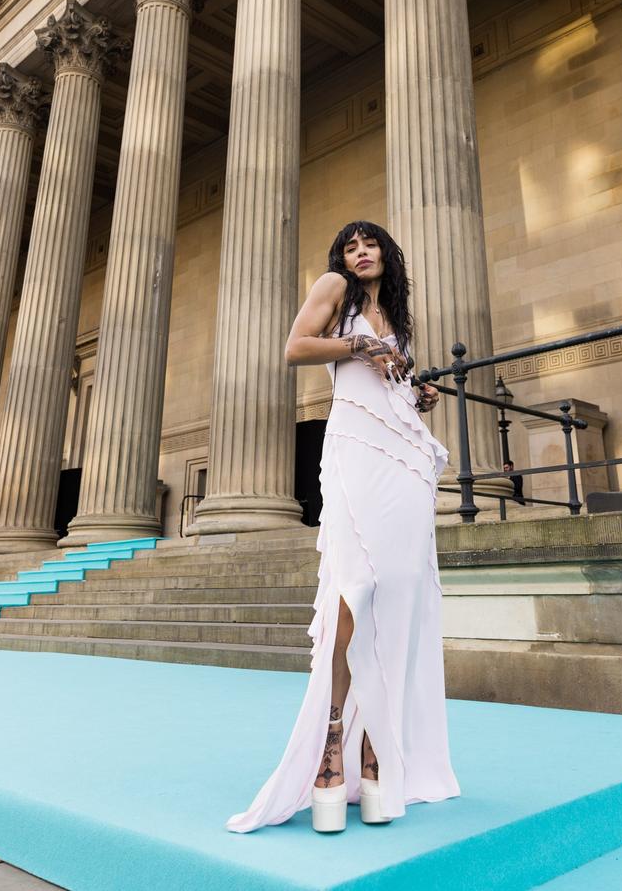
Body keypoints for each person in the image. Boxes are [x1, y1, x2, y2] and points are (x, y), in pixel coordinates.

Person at [225, 220, 460, 833]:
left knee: (403, 591)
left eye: (369, 244)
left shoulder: (399, 320)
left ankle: (375, 748)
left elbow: (393, 384)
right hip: (355, 449)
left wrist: (418, 389)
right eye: (351, 247)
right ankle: (333, 743)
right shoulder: (335, 290)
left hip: (402, 457)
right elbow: (295, 347)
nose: (360, 254)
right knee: (355, 590)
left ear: (386, 253)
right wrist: (358, 347)